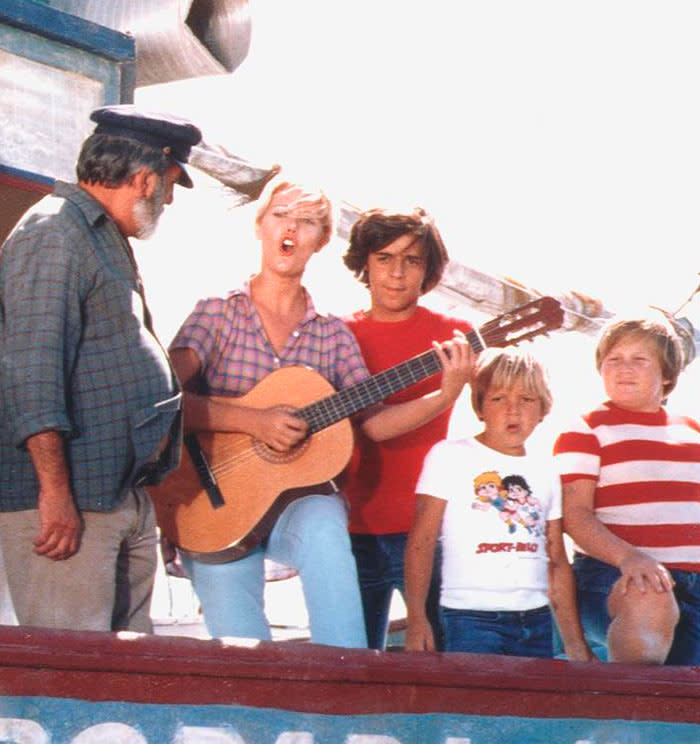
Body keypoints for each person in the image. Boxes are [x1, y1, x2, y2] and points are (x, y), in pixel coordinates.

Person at [168, 180, 474, 647]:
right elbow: (164, 399)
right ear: (259, 226)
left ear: (322, 239)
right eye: (280, 214)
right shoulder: (216, 312)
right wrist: (254, 422)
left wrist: (444, 395)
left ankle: (345, 668)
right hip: (211, 502)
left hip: (293, 506)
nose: (291, 227)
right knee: (245, 659)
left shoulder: (331, 335)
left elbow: (370, 421)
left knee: (328, 519)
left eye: (307, 221)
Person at [0, 104, 202, 632]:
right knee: (74, 681)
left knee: (126, 686)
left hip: (116, 497)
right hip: (71, 505)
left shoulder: (98, 234)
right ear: (143, 178)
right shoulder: (53, 232)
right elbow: (31, 374)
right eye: (171, 185)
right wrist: (56, 494)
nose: (170, 199)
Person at [405, 348, 594, 660]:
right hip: (471, 619)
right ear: (479, 407)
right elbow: (421, 542)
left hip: (536, 620)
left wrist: (575, 643)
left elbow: (557, 561)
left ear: (544, 408)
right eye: (498, 399)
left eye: (526, 399)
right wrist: (416, 618)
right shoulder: (449, 456)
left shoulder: (547, 471)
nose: (513, 410)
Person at [341, 207, 473, 649]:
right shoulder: (338, 335)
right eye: (384, 258)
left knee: (438, 655)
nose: (397, 273)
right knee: (352, 663)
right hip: (348, 528)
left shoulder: (455, 336)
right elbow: (371, 426)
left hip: (427, 530)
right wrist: (442, 396)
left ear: (428, 270)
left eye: (411, 261)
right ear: (365, 263)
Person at [553, 313, 700, 664]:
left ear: (667, 373)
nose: (624, 368)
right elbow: (575, 515)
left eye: (639, 360)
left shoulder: (693, 431)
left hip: (694, 581)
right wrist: (630, 558)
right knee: (649, 595)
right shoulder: (586, 429)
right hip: (615, 575)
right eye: (613, 360)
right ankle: (624, 710)